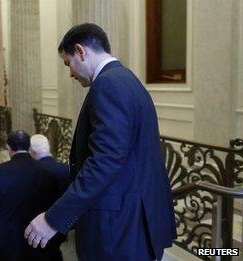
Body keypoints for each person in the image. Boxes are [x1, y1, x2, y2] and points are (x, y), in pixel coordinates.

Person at [24, 23, 176, 260]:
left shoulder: (108, 85)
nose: (71, 74)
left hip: (118, 228)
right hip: (134, 221)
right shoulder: (127, 79)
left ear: (81, 51)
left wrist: (52, 219)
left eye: (68, 63)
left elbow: (104, 161)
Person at [0, 130, 60, 261]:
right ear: (29, 148)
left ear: (8, 148)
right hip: (37, 244)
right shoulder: (46, 171)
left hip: (6, 248)